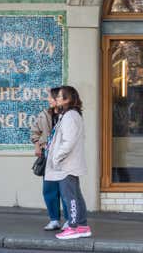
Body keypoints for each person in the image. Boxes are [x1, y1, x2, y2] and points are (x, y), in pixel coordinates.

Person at [45, 86, 92, 240]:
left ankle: (73, 227)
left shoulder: (70, 116)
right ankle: (82, 226)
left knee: (69, 197)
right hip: (69, 163)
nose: (56, 99)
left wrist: (56, 158)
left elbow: (68, 142)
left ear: (68, 99)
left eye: (59, 96)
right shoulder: (70, 115)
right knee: (76, 196)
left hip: (66, 164)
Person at [31, 87, 69, 231]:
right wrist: (37, 145)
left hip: (64, 158)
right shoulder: (44, 115)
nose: (48, 100)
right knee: (49, 189)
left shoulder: (68, 115)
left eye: (51, 97)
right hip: (48, 158)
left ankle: (68, 220)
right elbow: (35, 131)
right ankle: (54, 219)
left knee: (65, 190)